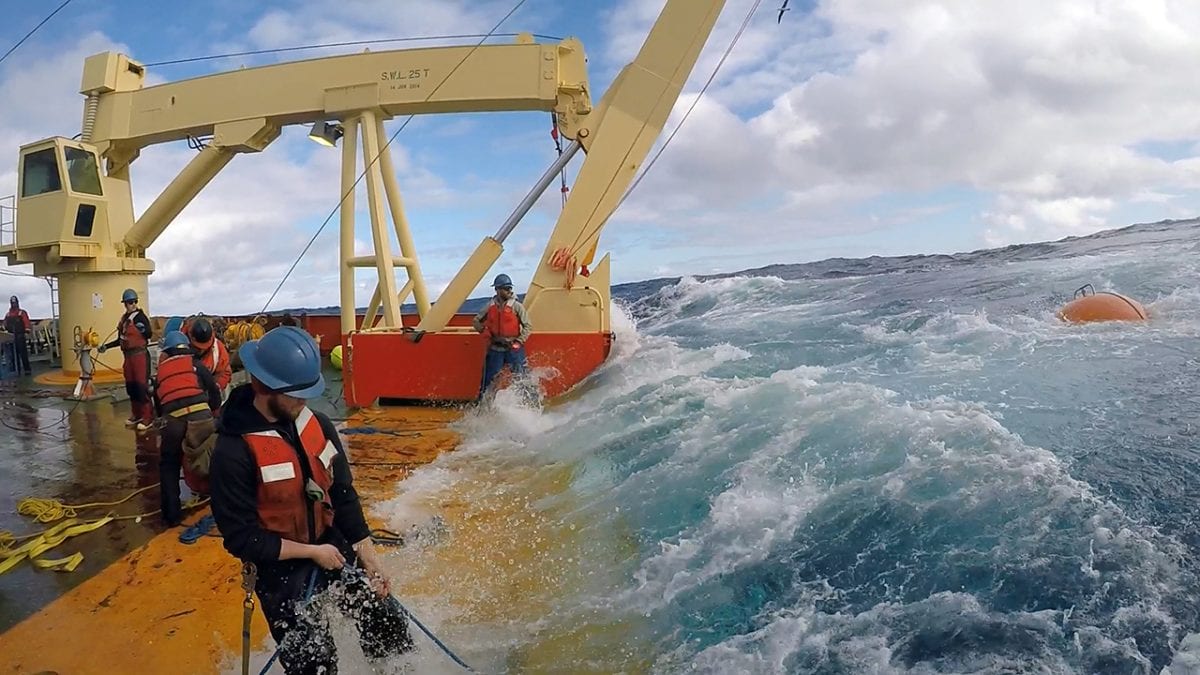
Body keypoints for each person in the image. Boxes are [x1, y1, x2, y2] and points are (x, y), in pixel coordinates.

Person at [208, 326, 413, 673]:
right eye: (297, 396)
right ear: (265, 387)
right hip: (280, 571)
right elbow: (241, 538)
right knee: (313, 664)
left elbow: (342, 492)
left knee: (386, 621)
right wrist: (312, 553)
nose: (306, 403)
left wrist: (368, 557)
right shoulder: (232, 452)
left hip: (331, 544)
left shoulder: (316, 424)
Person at [151, 331, 221, 526]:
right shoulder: (196, 365)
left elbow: (159, 406)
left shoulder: (161, 373)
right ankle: (221, 503)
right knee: (212, 458)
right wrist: (214, 413)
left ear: (167, 351)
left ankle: (171, 516)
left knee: (169, 465)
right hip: (201, 417)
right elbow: (214, 392)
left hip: (172, 421)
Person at [99, 288, 153, 431]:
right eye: (129, 302)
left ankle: (147, 417)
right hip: (128, 357)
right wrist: (106, 346)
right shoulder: (124, 320)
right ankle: (137, 414)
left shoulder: (141, 318)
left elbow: (149, 334)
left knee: (142, 387)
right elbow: (120, 340)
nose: (132, 304)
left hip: (140, 356)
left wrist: (143, 330)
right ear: (125, 304)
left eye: (134, 302)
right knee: (131, 387)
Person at [472, 273, 532, 399]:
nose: (509, 291)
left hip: (513, 348)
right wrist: (485, 332)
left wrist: (519, 341)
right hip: (495, 349)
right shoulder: (490, 306)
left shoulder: (516, 306)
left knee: (522, 378)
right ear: (497, 290)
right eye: (506, 288)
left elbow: (528, 326)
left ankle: (529, 403)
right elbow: (476, 321)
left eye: (510, 288)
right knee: (488, 380)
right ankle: (484, 405)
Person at [188, 317, 232, 403]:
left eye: (203, 347)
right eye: (197, 347)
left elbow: (226, 372)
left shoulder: (218, 350)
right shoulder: (177, 346)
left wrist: (216, 387)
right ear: (191, 337)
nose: (200, 350)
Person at [3, 295, 32, 376]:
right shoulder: (8, 315)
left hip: (20, 336)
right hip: (10, 337)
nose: (14, 304)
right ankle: (16, 370)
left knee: (23, 353)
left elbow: (26, 323)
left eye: (15, 303)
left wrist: (26, 331)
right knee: (12, 354)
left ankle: (27, 369)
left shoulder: (22, 313)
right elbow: (4, 324)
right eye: (12, 303)